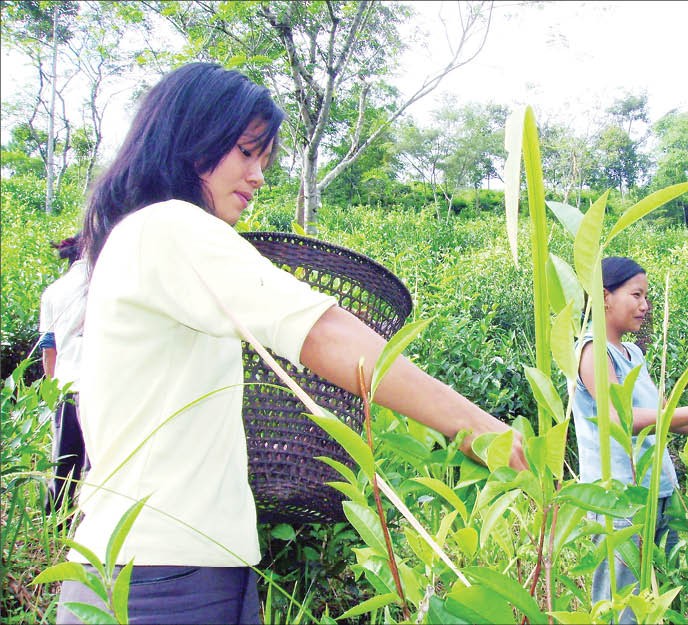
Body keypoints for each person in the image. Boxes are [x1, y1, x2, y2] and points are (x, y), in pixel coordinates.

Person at [57, 62, 527, 625]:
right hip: (160, 578)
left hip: (169, 568)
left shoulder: (139, 236)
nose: (257, 175)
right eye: (245, 151)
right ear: (190, 143)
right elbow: (322, 333)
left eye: (264, 158)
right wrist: (484, 430)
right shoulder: (169, 227)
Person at [572, 257, 688, 624]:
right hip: (619, 498)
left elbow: (668, 419)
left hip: (659, 490)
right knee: (622, 603)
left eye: (646, 296)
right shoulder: (591, 350)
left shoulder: (633, 354)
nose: (645, 305)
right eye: (636, 294)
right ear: (604, 297)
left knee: (657, 596)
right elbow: (618, 420)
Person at [38, 235, 89, 517]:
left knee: (63, 460)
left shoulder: (54, 291)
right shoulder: (102, 285)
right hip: (99, 385)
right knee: (97, 461)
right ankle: (88, 525)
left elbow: (49, 349)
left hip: (66, 384)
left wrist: (52, 388)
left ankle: (54, 519)